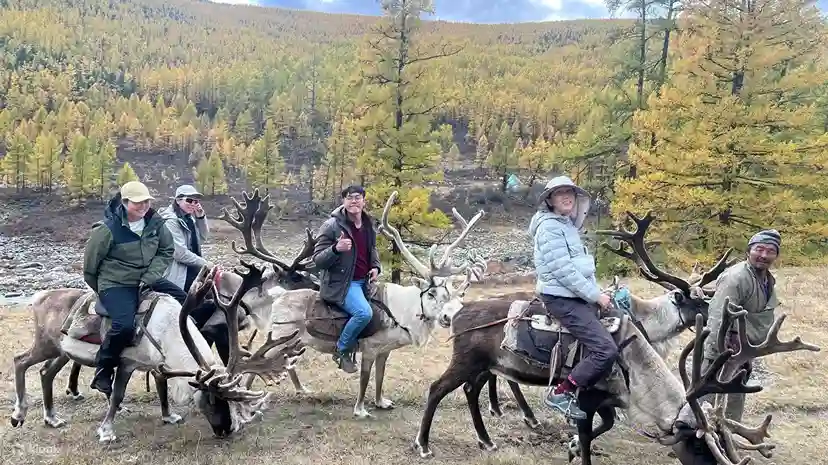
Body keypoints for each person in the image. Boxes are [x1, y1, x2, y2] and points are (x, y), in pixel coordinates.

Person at [527, 175, 618, 421]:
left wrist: (598, 291)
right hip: (561, 297)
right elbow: (564, 272)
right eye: (560, 193)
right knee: (605, 350)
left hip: (572, 294)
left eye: (570, 192)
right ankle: (561, 392)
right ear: (550, 200)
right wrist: (595, 296)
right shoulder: (549, 228)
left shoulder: (565, 224)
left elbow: (580, 269)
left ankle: (593, 394)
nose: (567, 197)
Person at [83, 181, 186, 396]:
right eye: (137, 203)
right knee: (124, 325)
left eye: (147, 201)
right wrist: (103, 290)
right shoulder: (107, 230)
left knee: (186, 302)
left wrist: (150, 276)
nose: (143, 206)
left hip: (147, 278)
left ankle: (182, 353)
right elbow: (90, 267)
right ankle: (104, 368)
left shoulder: (156, 223)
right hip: (116, 283)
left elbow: (166, 251)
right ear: (125, 202)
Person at [701, 229, 781, 422]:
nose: (763, 255)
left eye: (770, 251)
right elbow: (717, 316)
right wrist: (716, 354)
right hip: (725, 349)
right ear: (748, 251)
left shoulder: (766, 279)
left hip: (744, 350)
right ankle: (693, 437)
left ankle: (729, 431)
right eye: (759, 249)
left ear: (776, 255)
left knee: (736, 392)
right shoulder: (735, 278)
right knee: (706, 395)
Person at [311, 185, 382, 373]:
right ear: (343, 201)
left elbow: (372, 249)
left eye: (358, 197)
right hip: (341, 285)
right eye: (349, 198)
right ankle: (342, 349)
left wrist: (375, 266)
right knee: (364, 314)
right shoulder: (331, 226)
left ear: (363, 201)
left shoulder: (368, 224)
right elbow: (317, 261)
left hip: (364, 282)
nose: (354, 201)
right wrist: (336, 249)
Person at [158, 185, 227, 363]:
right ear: (178, 199)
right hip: (177, 277)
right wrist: (207, 264)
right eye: (189, 200)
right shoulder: (170, 221)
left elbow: (202, 237)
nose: (193, 203)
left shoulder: (187, 218)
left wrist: (201, 217)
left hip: (191, 275)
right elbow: (179, 253)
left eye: (196, 200)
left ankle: (202, 355)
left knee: (207, 313)